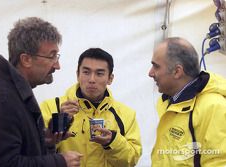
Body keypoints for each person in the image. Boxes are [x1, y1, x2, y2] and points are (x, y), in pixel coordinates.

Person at [0, 17, 82, 167]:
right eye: (52, 56)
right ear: (26, 60)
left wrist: (44, 141)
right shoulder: (2, 101)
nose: (57, 66)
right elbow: (4, 164)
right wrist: (59, 161)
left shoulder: (15, 93)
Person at [40, 48, 142, 167]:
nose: (92, 80)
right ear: (77, 74)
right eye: (86, 72)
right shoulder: (52, 107)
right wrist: (59, 122)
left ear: (110, 79)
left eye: (99, 74)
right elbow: (36, 153)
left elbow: (131, 160)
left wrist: (113, 141)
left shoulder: (127, 114)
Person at [149, 37, 226, 166]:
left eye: (156, 66)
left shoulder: (214, 107)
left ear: (177, 72)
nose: (150, 73)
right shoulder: (169, 102)